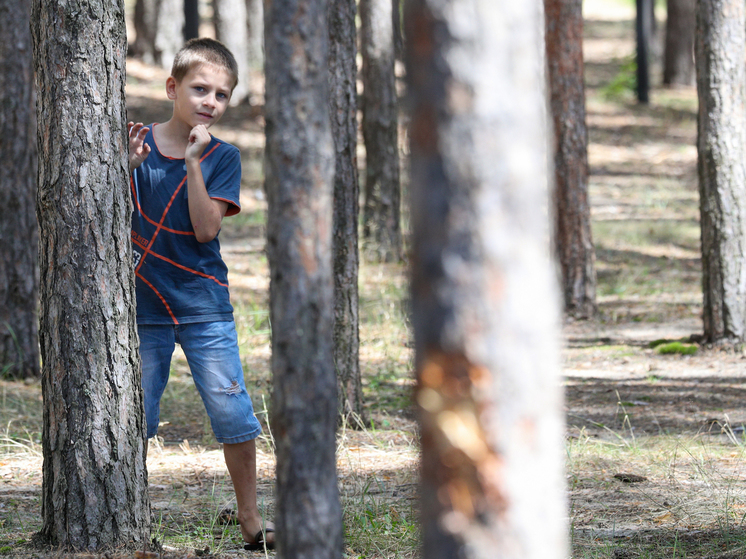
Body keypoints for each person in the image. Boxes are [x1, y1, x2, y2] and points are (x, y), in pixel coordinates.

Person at [127, 37, 274, 552]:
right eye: (200, 88)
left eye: (222, 94)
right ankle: (125, 515)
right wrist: (126, 167)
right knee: (133, 416)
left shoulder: (223, 157)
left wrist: (193, 163)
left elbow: (206, 229)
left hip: (203, 307)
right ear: (172, 87)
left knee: (233, 413)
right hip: (141, 309)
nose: (211, 101)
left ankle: (252, 521)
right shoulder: (136, 144)